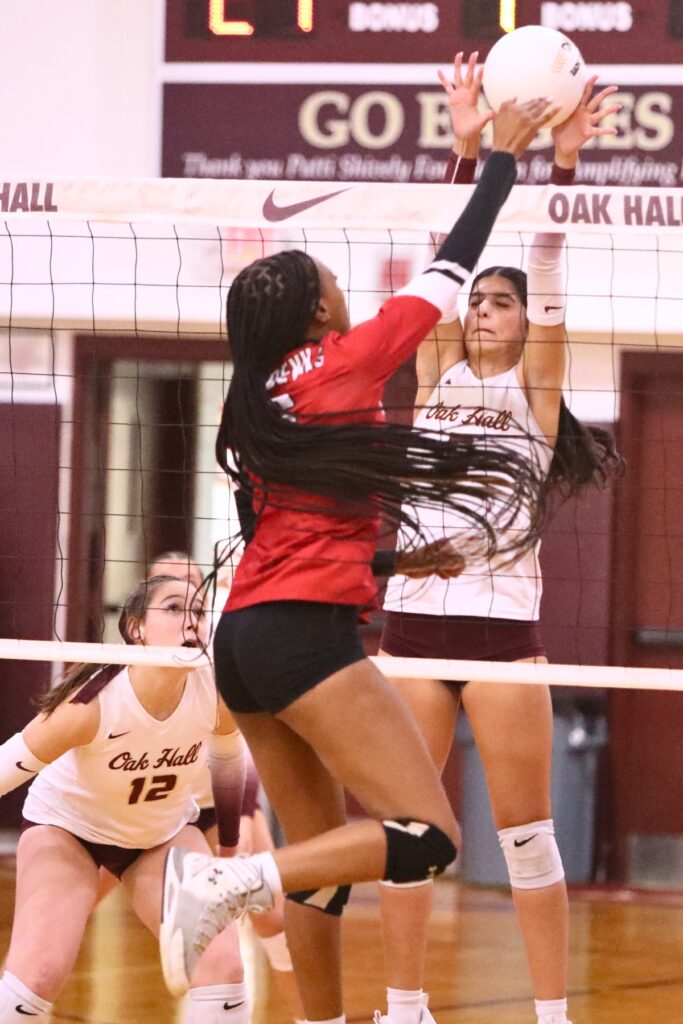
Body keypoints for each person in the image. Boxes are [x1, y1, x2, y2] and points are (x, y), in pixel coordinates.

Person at [158, 100, 559, 1021]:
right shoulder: (343, 363)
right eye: (334, 282)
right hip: (304, 640)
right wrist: (496, 159)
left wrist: (396, 567)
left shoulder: (252, 399)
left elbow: (286, 534)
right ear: (317, 310)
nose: (345, 290)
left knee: (322, 872)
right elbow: (450, 271)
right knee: (424, 838)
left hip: (245, 639)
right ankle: (231, 879)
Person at [374, 58, 624, 1024]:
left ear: (527, 324)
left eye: (501, 302)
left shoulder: (534, 391)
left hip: (499, 639)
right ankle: (403, 1006)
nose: (482, 310)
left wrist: (563, 164)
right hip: (409, 631)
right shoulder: (434, 371)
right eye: (477, 300)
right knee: (406, 835)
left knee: (527, 841)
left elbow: (549, 259)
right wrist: (464, 145)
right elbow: (442, 262)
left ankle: (551, 1014)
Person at [0, 575, 250, 1024]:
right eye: (173, 609)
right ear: (136, 629)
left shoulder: (215, 693)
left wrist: (228, 847)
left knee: (224, 965)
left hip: (161, 837)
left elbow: (229, 761)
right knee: (39, 973)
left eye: (198, 611)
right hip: (69, 831)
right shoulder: (90, 705)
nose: (191, 621)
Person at [148, 551, 296, 975]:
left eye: (190, 584)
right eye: (168, 586)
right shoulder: (128, 656)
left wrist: (245, 813)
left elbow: (241, 746)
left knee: (274, 918)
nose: (181, 593)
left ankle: (308, 1007)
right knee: (67, 908)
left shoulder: (223, 651)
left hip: (216, 800)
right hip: (139, 806)